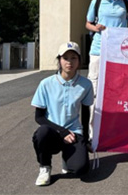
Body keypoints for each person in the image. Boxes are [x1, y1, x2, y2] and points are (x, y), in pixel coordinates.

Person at [31, 42, 93, 186]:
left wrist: (86, 139)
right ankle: (45, 167)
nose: (69, 62)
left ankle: (68, 158)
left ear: (79, 61)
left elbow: (85, 114)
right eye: (65, 58)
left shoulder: (86, 84)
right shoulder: (46, 84)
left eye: (74, 58)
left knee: (81, 169)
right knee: (41, 133)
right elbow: (39, 117)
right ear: (59, 60)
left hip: (74, 132)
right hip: (52, 132)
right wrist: (62, 131)